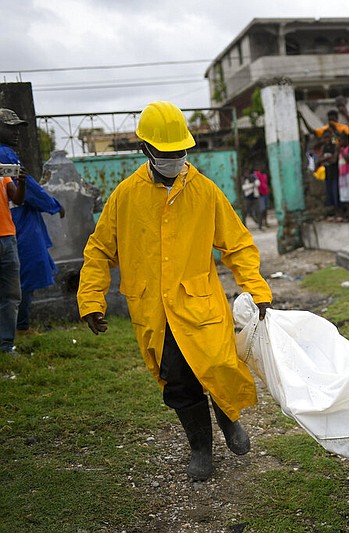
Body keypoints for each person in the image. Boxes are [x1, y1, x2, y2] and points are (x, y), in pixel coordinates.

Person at [77, 100, 273, 481]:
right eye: (166, 152)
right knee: (179, 382)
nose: (175, 157)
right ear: (145, 150)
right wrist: (91, 299)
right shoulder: (125, 196)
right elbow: (100, 250)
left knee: (217, 366)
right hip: (154, 310)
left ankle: (229, 418)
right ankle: (200, 448)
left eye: (180, 151)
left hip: (200, 304)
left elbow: (238, 244)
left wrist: (256, 288)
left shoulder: (205, 191)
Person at [2, 132, 65, 335]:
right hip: (17, 224)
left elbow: (20, 189)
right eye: (11, 128)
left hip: (14, 222)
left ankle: (19, 327)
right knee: (25, 273)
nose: (18, 134)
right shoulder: (5, 154)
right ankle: (20, 326)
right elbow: (27, 191)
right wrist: (53, 204)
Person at [0, 109, 27, 353]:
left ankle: (6, 345)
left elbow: (16, 199)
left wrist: (23, 183)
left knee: (11, 295)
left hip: (7, 237)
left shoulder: (2, 169)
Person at [319, 128, 341, 220]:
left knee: (336, 194)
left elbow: (334, 159)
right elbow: (319, 159)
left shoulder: (335, 146)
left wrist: (325, 159)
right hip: (328, 174)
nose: (326, 140)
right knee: (330, 195)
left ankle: (339, 213)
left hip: (336, 173)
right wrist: (327, 159)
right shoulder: (324, 147)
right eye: (325, 138)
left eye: (328, 137)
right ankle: (332, 214)